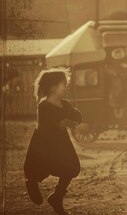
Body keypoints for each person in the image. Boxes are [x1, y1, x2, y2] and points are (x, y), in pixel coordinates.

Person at [24, 68, 82, 214]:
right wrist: (61, 122)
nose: (67, 87)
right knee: (41, 166)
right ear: (53, 88)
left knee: (73, 167)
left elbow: (77, 116)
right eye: (65, 84)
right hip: (44, 144)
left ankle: (57, 196)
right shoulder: (43, 106)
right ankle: (31, 182)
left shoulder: (66, 104)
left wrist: (73, 117)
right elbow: (45, 127)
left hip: (62, 144)